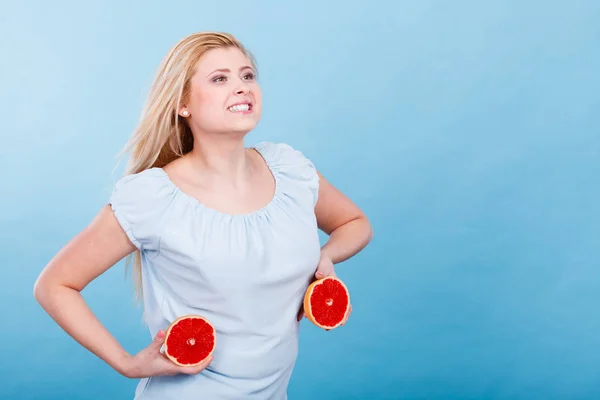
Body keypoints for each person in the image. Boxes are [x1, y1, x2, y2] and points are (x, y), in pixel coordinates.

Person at [33, 31, 373, 399]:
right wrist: (127, 364)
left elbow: (355, 224)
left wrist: (324, 256)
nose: (242, 87)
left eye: (247, 76)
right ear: (183, 104)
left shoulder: (289, 169)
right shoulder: (153, 198)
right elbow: (54, 285)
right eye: (220, 79)